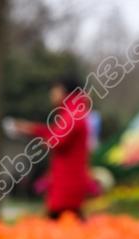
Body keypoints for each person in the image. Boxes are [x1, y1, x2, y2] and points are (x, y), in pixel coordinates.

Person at [10, 75, 95, 220]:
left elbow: (56, 139)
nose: (51, 94)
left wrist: (35, 136)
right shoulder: (71, 112)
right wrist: (30, 129)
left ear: (64, 91)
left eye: (54, 89)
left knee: (64, 222)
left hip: (68, 183)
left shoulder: (74, 114)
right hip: (66, 181)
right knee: (67, 222)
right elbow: (55, 133)